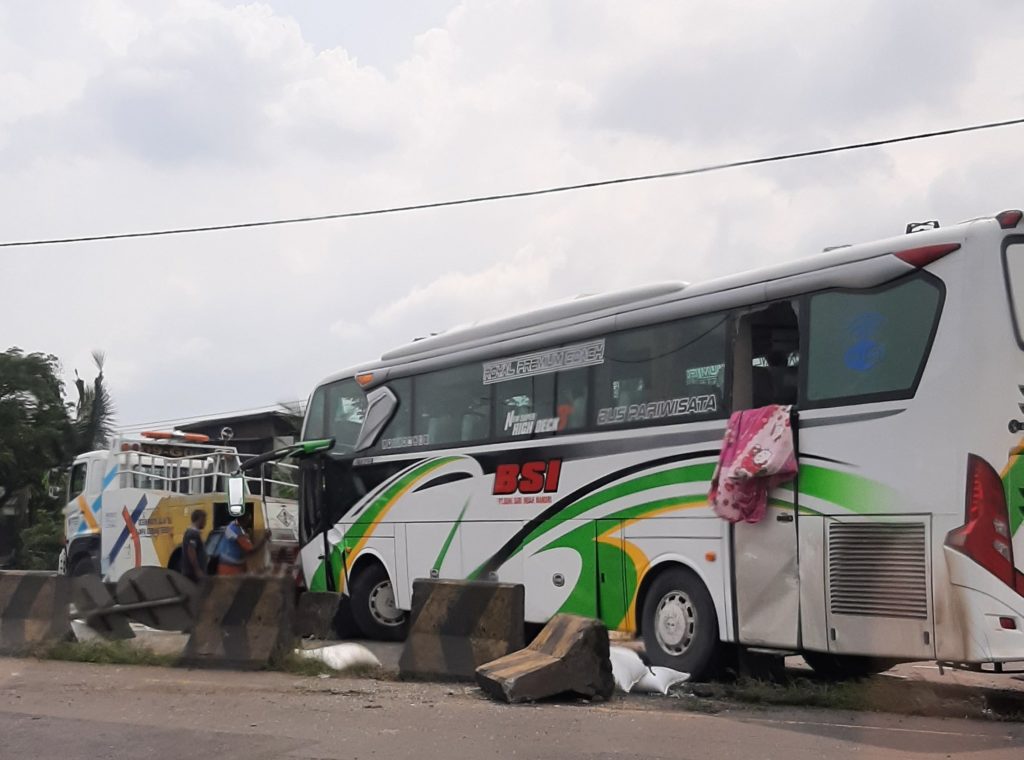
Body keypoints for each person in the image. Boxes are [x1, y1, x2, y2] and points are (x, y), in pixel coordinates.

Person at [179, 509, 208, 583]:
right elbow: (191, 551)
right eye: (204, 520)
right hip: (192, 574)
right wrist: (197, 570)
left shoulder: (192, 532)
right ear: (200, 519)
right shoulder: (192, 534)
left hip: (192, 573)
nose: (205, 523)